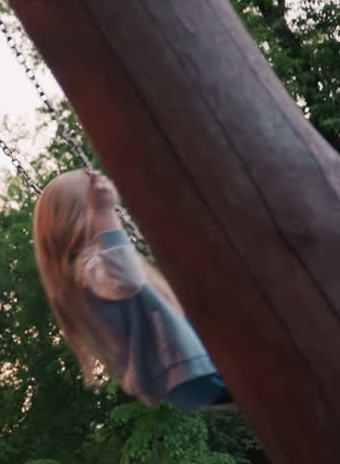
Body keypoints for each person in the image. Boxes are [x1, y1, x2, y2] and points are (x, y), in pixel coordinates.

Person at [33, 168, 233, 411]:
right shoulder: (89, 268)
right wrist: (104, 212)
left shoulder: (87, 272)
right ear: (82, 213)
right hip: (186, 372)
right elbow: (127, 280)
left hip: (185, 375)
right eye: (96, 202)